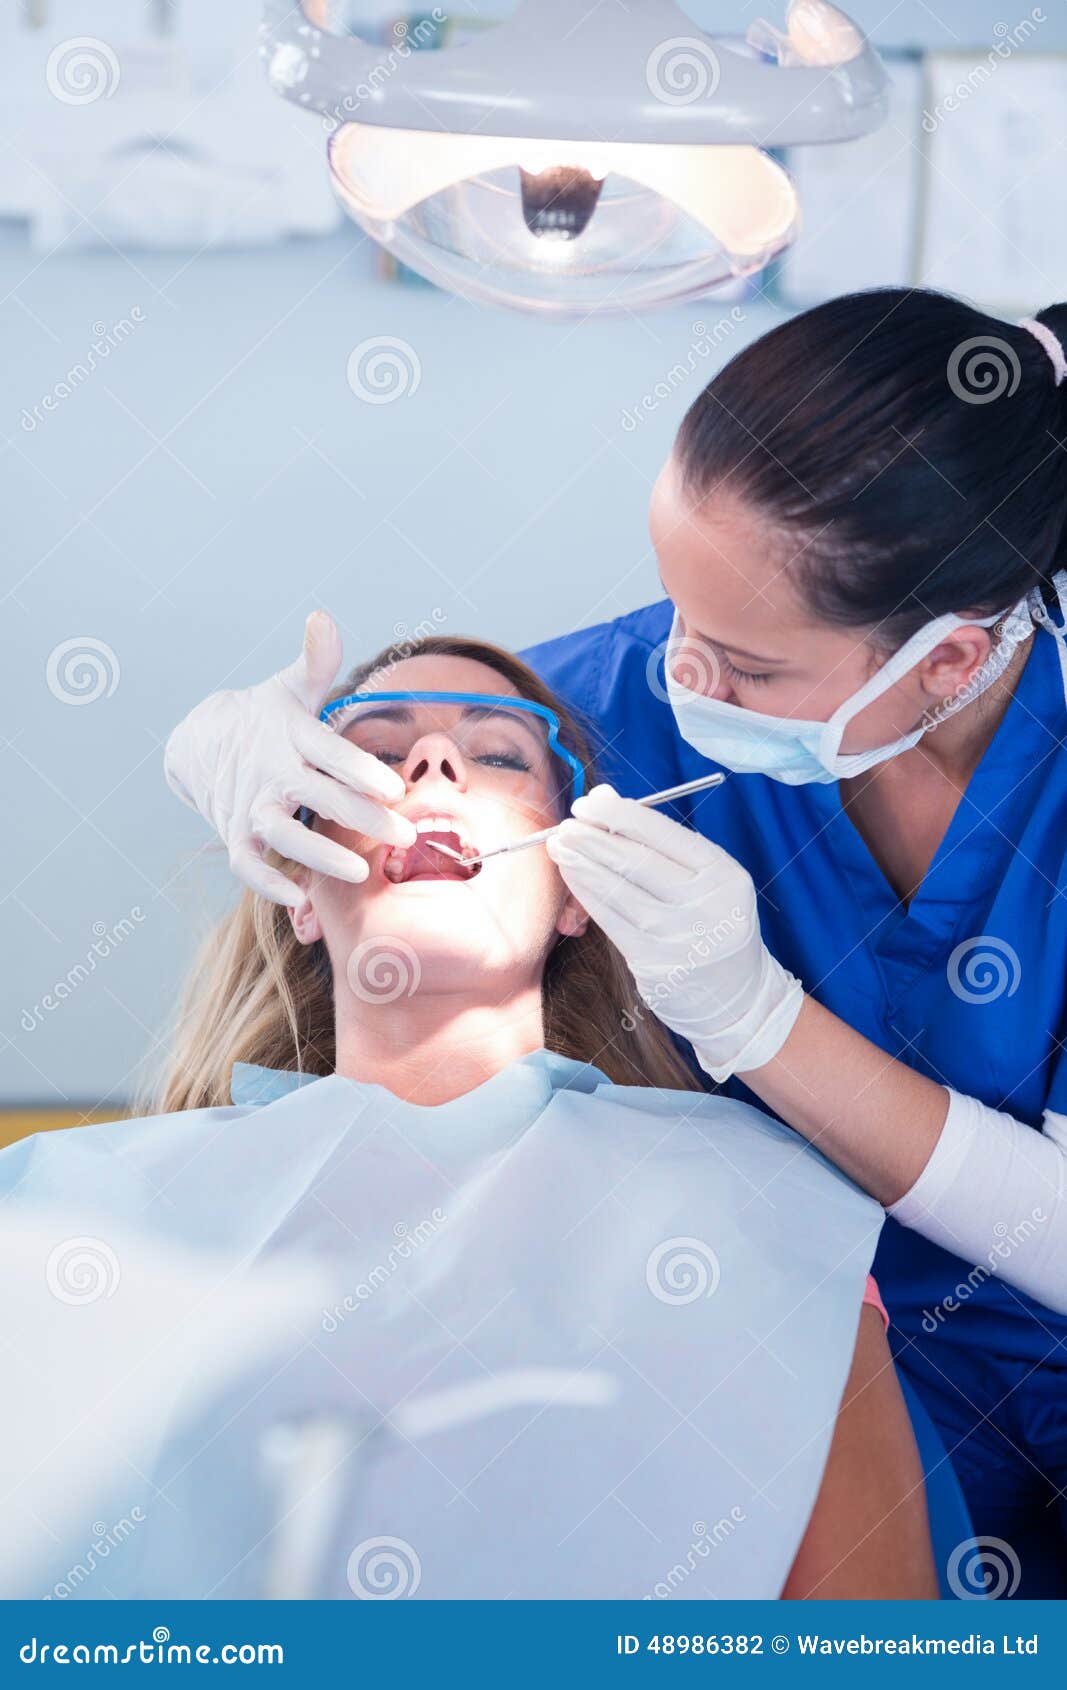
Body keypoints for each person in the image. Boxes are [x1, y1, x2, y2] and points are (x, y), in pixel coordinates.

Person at [163, 289, 1067, 1594]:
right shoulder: (607, 714)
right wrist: (215, 748)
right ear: (302, 898)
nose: (677, 680)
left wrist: (761, 1024)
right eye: (669, 614)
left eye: (745, 667)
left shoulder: (749, 1272)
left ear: (949, 657)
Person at [3, 636, 932, 1601]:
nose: (431, 766)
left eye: (495, 754)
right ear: (300, 897)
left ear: (576, 892)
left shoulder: (768, 1210)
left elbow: (873, 1639)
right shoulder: (71, 1211)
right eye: (369, 756)